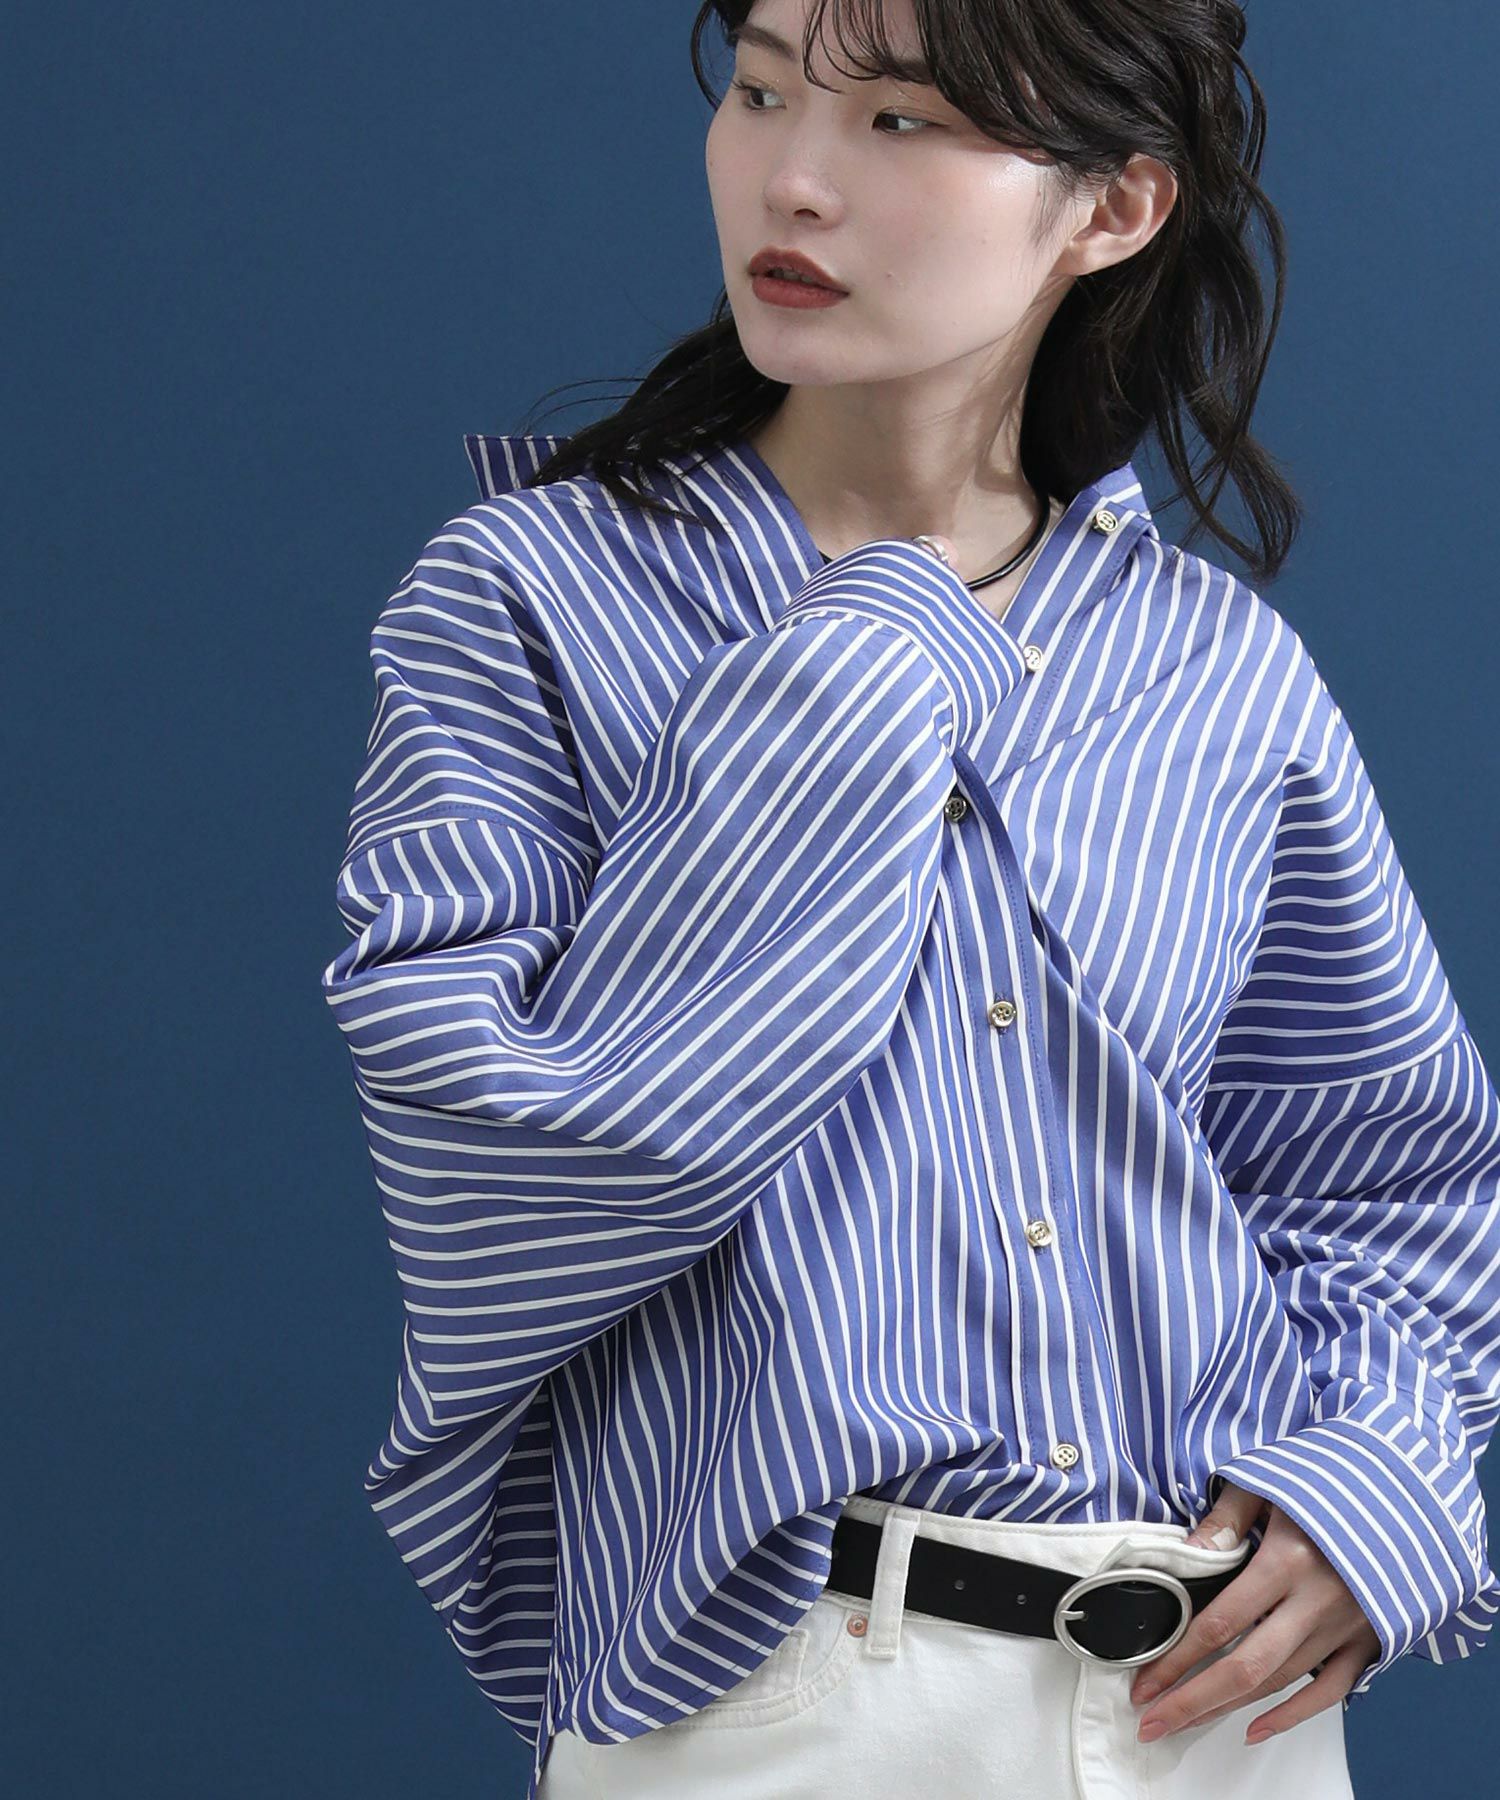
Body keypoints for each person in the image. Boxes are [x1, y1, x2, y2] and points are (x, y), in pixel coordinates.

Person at [319, 2, 1500, 1796]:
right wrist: (873, 644)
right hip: (790, 1696)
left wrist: (1380, 1486)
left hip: (1217, 1718)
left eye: (898, 122)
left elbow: (1391, 1173)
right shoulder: (531, 602)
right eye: (764, 89)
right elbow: (496, 1177)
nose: (791, 178)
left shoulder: (1218, 667)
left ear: (1114, 207)